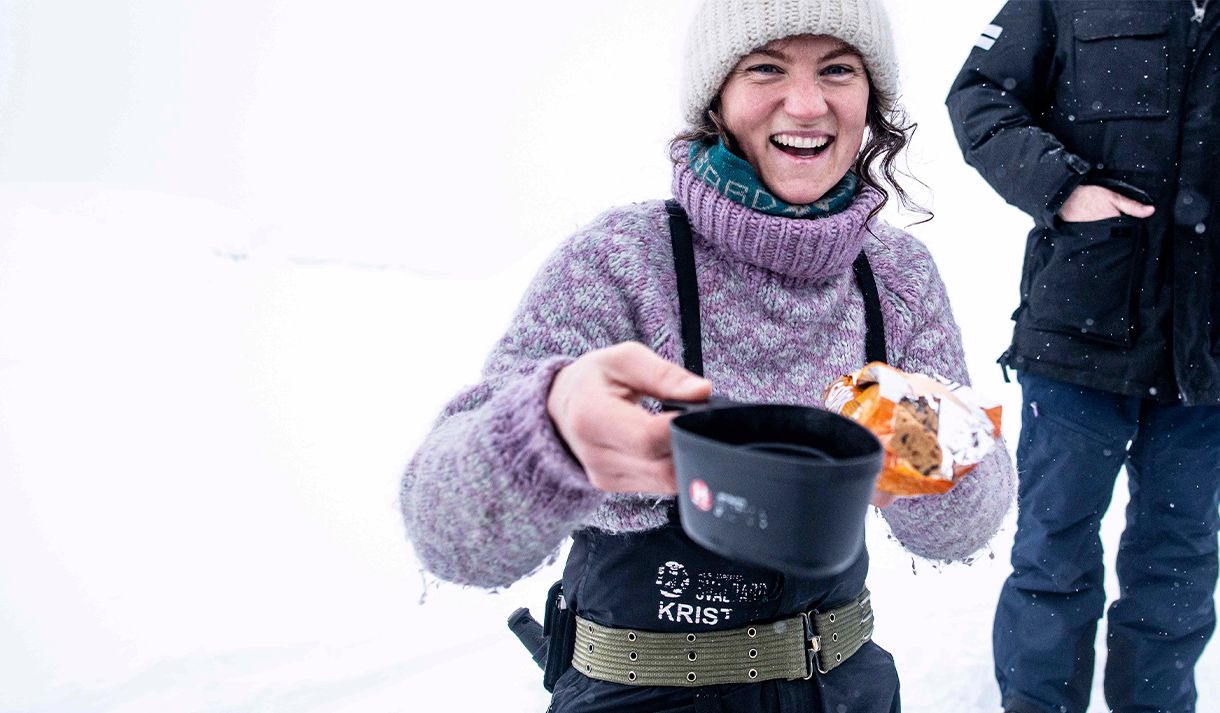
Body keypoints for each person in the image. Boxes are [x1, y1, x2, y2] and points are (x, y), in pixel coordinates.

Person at [402, 0, 1013, 710]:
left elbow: (965, 528)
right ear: (717, 97)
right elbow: (449, 538)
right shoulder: (620, 264)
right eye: (766, 68)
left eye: (838, 69)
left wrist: (930, 453)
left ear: (870, 98)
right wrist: (548, 433)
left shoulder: (897, 278)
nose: (808, 102)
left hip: (843, 689)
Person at [945, 2, 1220, 712]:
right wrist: (1061, 187)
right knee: (1054, 555)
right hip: (1077, 340)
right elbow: (979, 94)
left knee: (1178, 565)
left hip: (1208, 354)